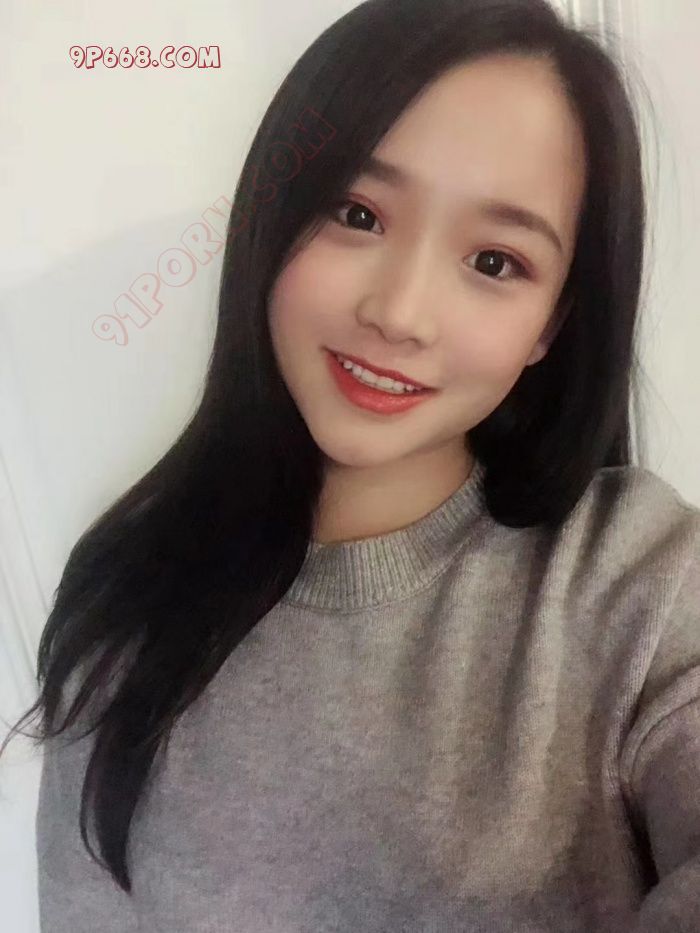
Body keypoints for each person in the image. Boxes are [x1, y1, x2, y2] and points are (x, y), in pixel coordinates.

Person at [2, 0, 699, 930]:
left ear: (552, 325)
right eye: (358, 213)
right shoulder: (126, 600)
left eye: (495, 262)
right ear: (273, 217)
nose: (400, 312)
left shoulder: (641, 581)